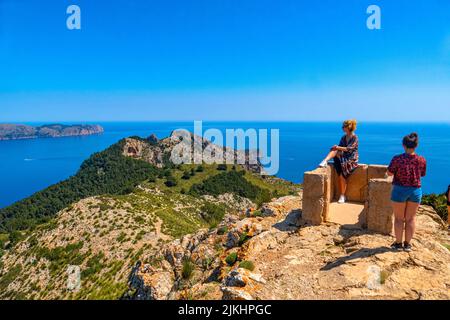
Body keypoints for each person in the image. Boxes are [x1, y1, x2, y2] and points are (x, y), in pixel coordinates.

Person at [387, 133, 426, 252]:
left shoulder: (397, 159)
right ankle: (407, 244)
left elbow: (389, 173)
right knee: (410, 219)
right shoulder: (421, 160)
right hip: (415, 191)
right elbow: (422, 174)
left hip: (399, 190)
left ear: (403, 145)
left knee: (399, 219)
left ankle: (398, 244)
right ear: (416, 145)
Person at [319, 119, 359, 204]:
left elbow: (349, 149)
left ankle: (342, 195)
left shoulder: (355, 138)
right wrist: (336, 147)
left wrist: (337, 147)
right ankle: (325, 160)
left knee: (342, 176)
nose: (342, 128)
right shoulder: (343, 137)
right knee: (334, 150)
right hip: (343, 157)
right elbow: (340, 147)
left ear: (348, 127)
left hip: (351, 160)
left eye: (343, 126)